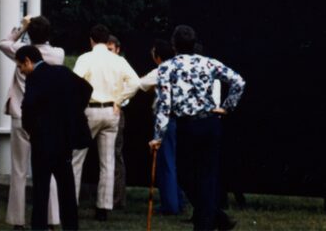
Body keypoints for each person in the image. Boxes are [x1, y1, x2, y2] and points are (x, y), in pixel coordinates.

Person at [149, 25, 246, 231]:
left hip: (187, 126)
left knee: (185, 175)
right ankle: (215, 218)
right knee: (206, 176)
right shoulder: (208, 63)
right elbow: (238, 81)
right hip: (209, 124)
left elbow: (164, 104)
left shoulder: (167, 67)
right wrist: (226, 108)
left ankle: (207, 223)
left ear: (174, 45)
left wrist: (158, 136)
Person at [0, 15, 65, 229]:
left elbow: (3, 43)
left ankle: (17, 219)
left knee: (19, 170)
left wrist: (22, 27)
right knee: (49, 168)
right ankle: (52, 217)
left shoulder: (21, 52)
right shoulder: (57, 54)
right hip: (46, 118)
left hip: (21, 115)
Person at [17, 46, 93, 231]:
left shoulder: (34, 78)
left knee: (41, 190)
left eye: (21, 66)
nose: (21, 70)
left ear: (27, 61)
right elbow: (86, 88)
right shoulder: (62, 71)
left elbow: (28, 105)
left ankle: (39, 227)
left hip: (42, 140)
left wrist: (30, 128)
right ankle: (71, 226)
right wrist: (72, 113)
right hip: (64, 138)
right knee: (67, 188)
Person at [71, 24, 142, 221]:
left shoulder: (86, 58)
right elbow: (136, 82)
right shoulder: (118, 60)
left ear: (91, 40)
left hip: (90, 111)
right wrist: (119, 99)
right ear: (106, 40)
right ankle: (103, 207)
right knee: (108, 161)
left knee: (77, 159)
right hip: (112, 111)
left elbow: (75, 82)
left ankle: (71, 204)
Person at [137, 39, 186, 215]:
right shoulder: (181, 68)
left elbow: (141, 84)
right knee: (177, 161)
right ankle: (179, 200)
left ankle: (170, 205)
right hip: (183, 118)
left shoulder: (161, 69)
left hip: (166, 119)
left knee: (166, 162)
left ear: (157, 57)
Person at [105, 35, 128, 210]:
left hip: (115, 110)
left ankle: (117, 198)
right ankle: (104, 197)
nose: (108, 53)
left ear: (117, 50)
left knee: (115, 154)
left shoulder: (121, 65)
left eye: (110, 50)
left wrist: (118, 103)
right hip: (98, 109)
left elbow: (131, 87)